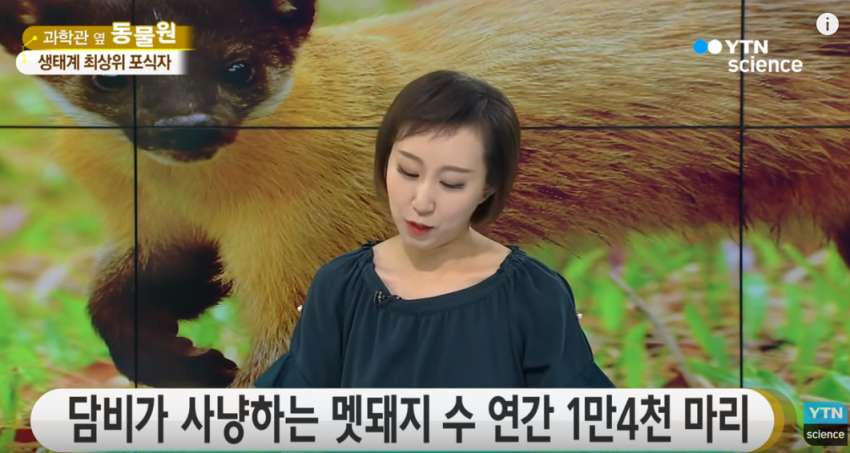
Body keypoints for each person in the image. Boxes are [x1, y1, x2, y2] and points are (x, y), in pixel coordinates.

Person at [256, 70, 614, 388]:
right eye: (408, 172)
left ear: (488, 188)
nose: (422, 201)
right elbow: (285, 416)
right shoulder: (339, 286)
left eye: (452, 183)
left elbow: (585, 421)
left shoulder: (534, 295)